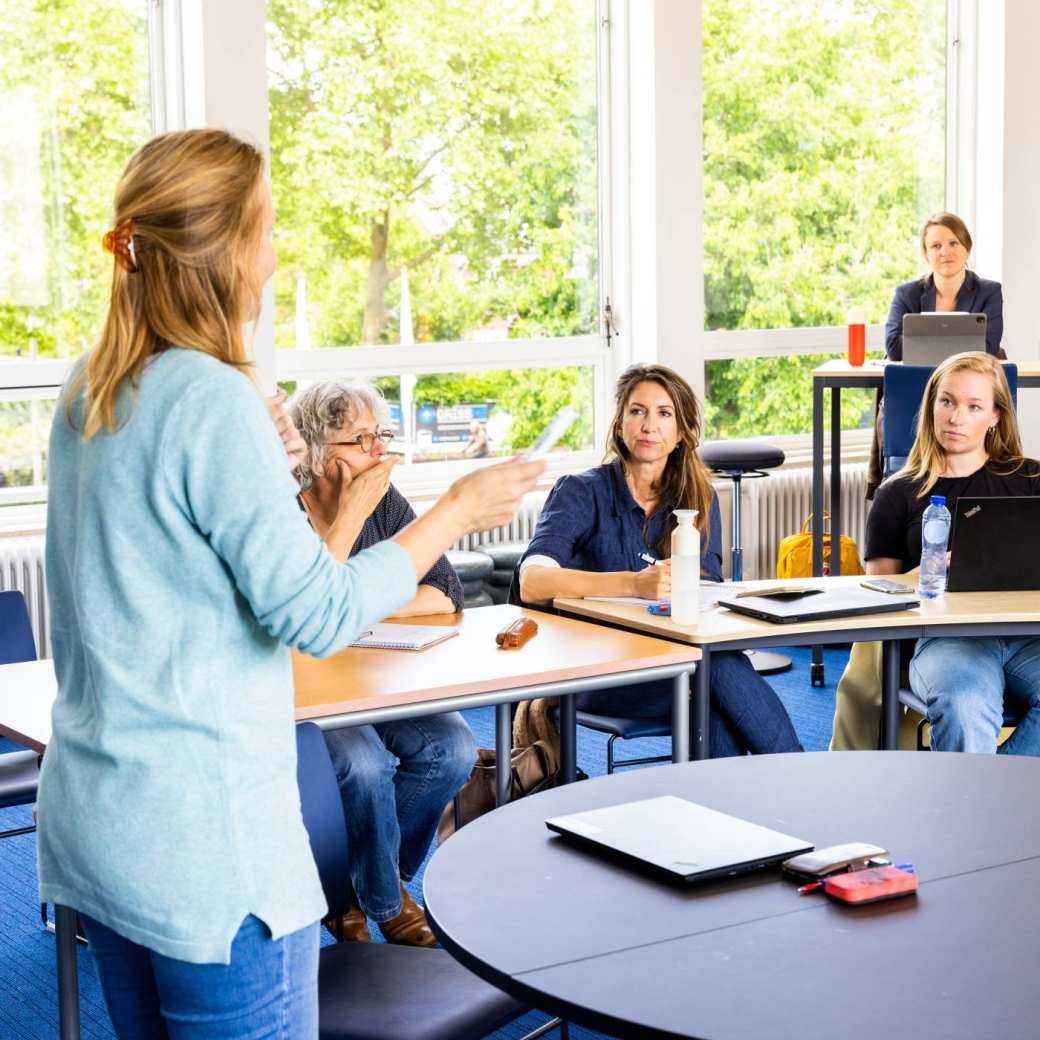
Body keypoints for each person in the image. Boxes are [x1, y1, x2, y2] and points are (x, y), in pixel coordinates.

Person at [37, 128, 544, 1039]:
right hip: (208, 850)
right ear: (229, 246)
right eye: (267, 226)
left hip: (105, 826)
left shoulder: (94, 386)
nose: (277, 252)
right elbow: (315, 614)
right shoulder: (209, 398)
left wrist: (267, 468)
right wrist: (459, 510)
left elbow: (181, 583)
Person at [517, 363, 802, 757]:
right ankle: (801, 778)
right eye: (637, 411)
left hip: (678, 662)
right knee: (715, 670)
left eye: (664, 414)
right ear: (620, 425)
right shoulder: (581, 492)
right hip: (598, 671)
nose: (649, 425)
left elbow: (709, 592)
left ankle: (722, 814)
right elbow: (532, 583)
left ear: (681, 433)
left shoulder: (698, 499)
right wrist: (632, 584)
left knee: (714, 694)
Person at [290, 379, 473, 947]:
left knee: (454, 750)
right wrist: (351, 537)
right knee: (364, 767)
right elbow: (297, 616)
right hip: (296, 689)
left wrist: (349, 605)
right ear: (318, 453)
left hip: (370, 674)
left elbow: (444, 592)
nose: (378, 453)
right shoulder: (276, 511)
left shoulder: (386, 503)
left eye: (382, 436)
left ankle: (359, 891)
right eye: (360, 440)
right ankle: (387, 906)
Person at [863, 351, 1040, 754]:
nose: (956, 417)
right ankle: (985, 807)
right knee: (965, 705)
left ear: (995, 416)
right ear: (932, 406)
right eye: (947, 401)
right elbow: (876, 596)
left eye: (974, 406)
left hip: (1028, 634)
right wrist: (924, 573)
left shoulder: (1031, 480)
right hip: (946, 638)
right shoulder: (897, 493)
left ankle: (989, 798)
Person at [884, 212, 1003, 360]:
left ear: (967, 248)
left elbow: (987, 348)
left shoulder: (989, 292)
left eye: (953, 243)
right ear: (926, 254)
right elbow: (894, 347)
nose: (945, 252)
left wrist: (920, 344)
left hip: (967, 379)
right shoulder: (907, 294)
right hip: (918, 378)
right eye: (936, 246)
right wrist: (963, 344)